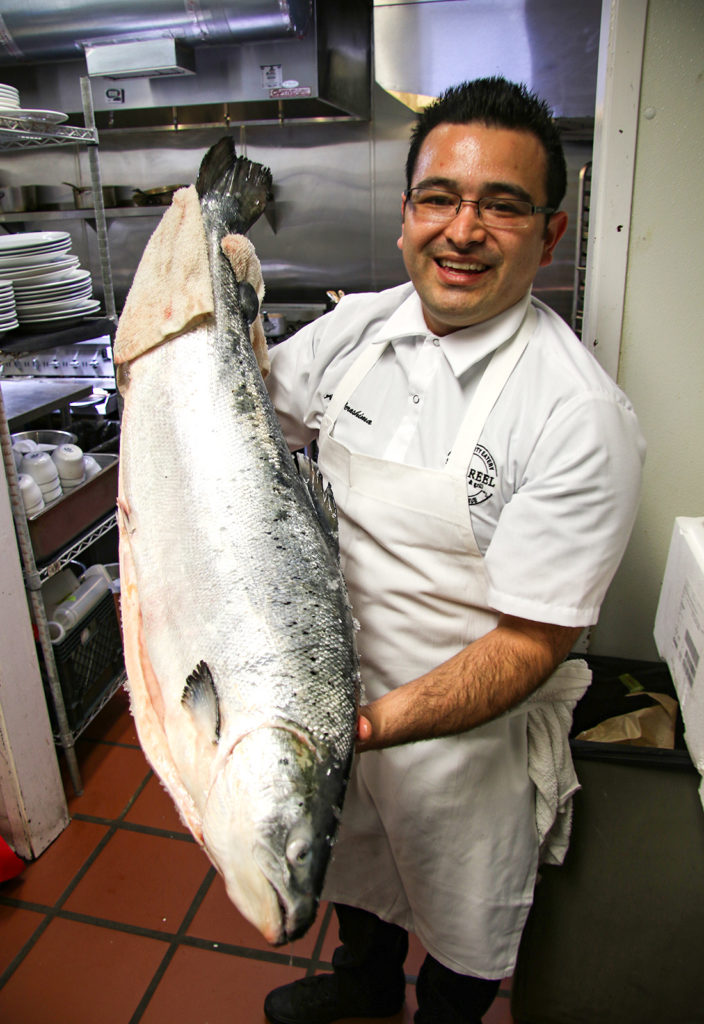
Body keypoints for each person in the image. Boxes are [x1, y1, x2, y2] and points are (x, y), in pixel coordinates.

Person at [262, 77, 645, 1024]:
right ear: (406, 216)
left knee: (464, 927)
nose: (463, 230)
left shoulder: (576, 414)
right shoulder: (361, 329)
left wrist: (364, 728)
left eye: (502, 205)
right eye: (440, 197)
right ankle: (360, 992)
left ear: (549, 236)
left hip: (468, 739)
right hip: (339, 690)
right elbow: (261, 427)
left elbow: (531, 643)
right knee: (354, 872)